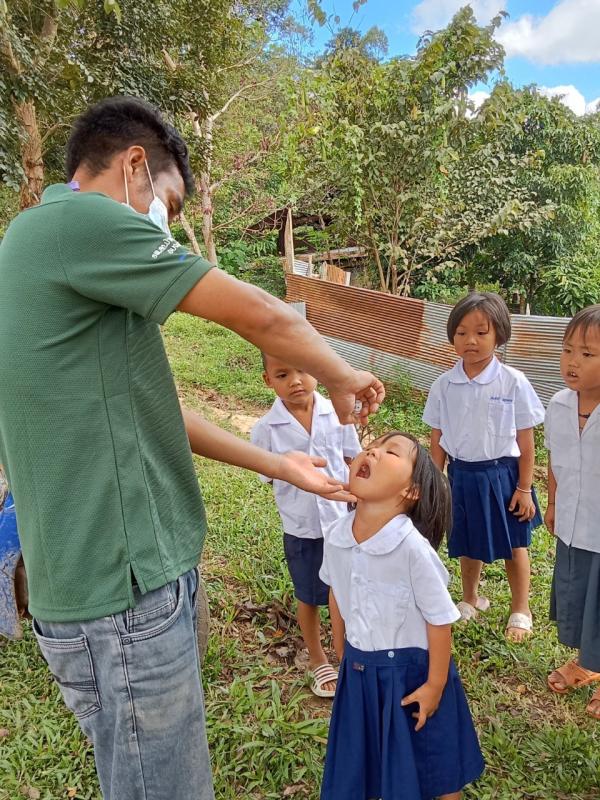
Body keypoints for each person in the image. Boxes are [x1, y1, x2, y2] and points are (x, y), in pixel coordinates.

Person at [0, 96, 384, 800]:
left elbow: (159, 410)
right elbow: (261, 311)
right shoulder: (78, 220)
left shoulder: (47, 251)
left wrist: (277, 463)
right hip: (124, 598)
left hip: (120, 586)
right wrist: (342, 374)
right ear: (135, 165)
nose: (168, 230)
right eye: (170, 209)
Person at [319, 432, 484, 800]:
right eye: (371, 446)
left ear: (411, 492)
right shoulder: (336, 535)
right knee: (367, 762)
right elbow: (335, 592)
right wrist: (341, 648)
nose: (373, 451)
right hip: (360, 670)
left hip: (414, 675)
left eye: (390, 451)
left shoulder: (412, 549)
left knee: (434, 767)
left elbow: (439, 619)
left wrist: (435, 686)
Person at [423, 292, 545, 641]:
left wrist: (523, 488)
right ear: (452, 337)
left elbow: (525, 442)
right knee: (466, 540)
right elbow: (437, 438)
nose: (470, 340)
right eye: (461, 332)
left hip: (503, 475)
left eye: (481, 332)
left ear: (499, 335)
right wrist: (437, 482)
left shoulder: (513, 381)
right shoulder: (443, 385)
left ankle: (520, 609)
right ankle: (471, 598)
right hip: (461, 475)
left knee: (515, 543)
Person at [251, 354, 361, 698]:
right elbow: (268, 475)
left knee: (345, 589)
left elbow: (351, 459)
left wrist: (357, 495)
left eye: (302, 370)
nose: (295, 380)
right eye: (283, 374)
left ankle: (348, 650)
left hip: (343, 522)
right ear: (268, 380)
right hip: (303, 527)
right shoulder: (265, 429)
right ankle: (317, 657)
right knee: (309, 595)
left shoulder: (338, 414)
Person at [545, 305, 600, 721]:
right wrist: (551, 503)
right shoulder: (558, 405)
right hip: (573, 524)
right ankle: (588, 661)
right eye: (568, 351)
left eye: (587, 354)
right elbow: (556, 461)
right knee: (582, 597)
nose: (572, 362)